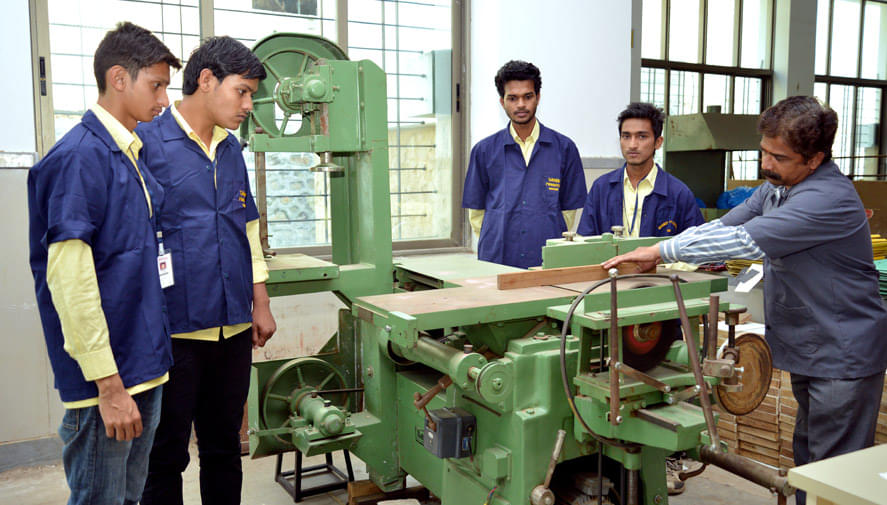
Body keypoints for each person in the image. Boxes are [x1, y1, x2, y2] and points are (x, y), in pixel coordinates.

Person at [602, 96, 887, 505]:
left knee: (834, 470)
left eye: (779, 157)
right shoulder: (780, 189)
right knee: (809, 457)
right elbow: (728, 223)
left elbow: (743, 240)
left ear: (815, 159)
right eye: (763, 152)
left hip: (843, 351)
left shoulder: (827, 199)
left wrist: (660, 253)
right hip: (814, 345)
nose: (766, 165)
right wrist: (669, 251)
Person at [27, 22, 180, 505]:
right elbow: (69, 286)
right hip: (107, 386)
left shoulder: (130, 153)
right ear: (119, 78)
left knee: (128, 498)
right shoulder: (79, 159)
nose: (163, 101)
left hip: (144, 367)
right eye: (155, 86)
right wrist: (109, 388)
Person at [137, 36, 276, 505]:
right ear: (206, 80)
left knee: (224, 449)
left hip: (233, 328)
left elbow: (248, 228)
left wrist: (261, 301)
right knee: (165, 455)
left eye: (252, 94)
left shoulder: (231, 149)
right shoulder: (147, 143)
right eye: (242, 91)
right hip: (174, 333)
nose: (248, 104)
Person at [462, 60, 586, 269]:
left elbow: (568, 212)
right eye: (513, 98)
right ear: (502, 102)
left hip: (547, 261)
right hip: (496, 261)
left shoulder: (564, 148)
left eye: (527, 96)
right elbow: (476, 213)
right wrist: (494, 238)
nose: (521, 104)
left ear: (538, 98)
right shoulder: (484, 151)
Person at [577, 102, 703, 238]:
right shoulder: (601, 188)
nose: (632, 145)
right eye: (626, 136)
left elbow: (694, 246)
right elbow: (585, 239)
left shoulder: (678, 193)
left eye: (642, 136)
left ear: (658, 142)